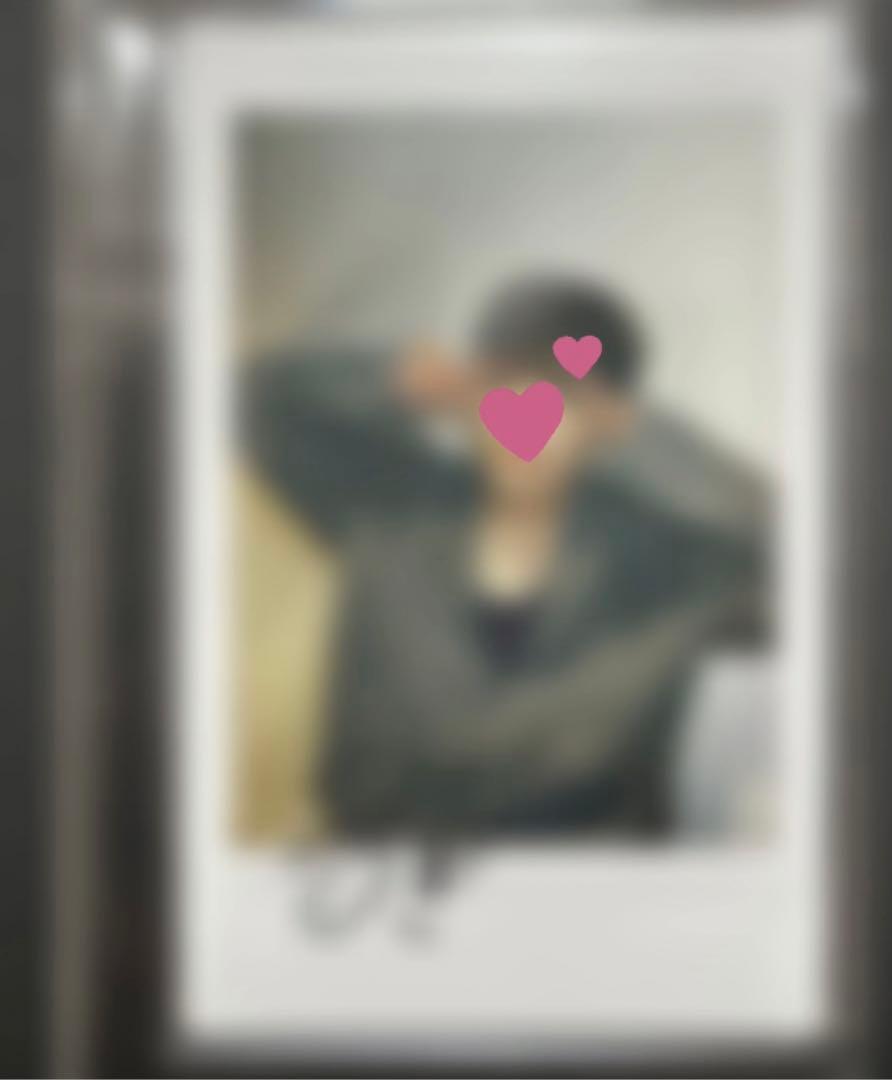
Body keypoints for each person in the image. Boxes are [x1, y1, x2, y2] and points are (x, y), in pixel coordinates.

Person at [243, 274, 768, 846]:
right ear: (470, 397)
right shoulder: (391, 508)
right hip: (382, 869)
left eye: (563, 399)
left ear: (604, 423)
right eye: (504, 388)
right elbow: (251, 401)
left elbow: (784, 545)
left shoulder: (664, 568)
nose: (526, 422)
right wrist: (400, 378)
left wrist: (641, 430)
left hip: (586, 874)